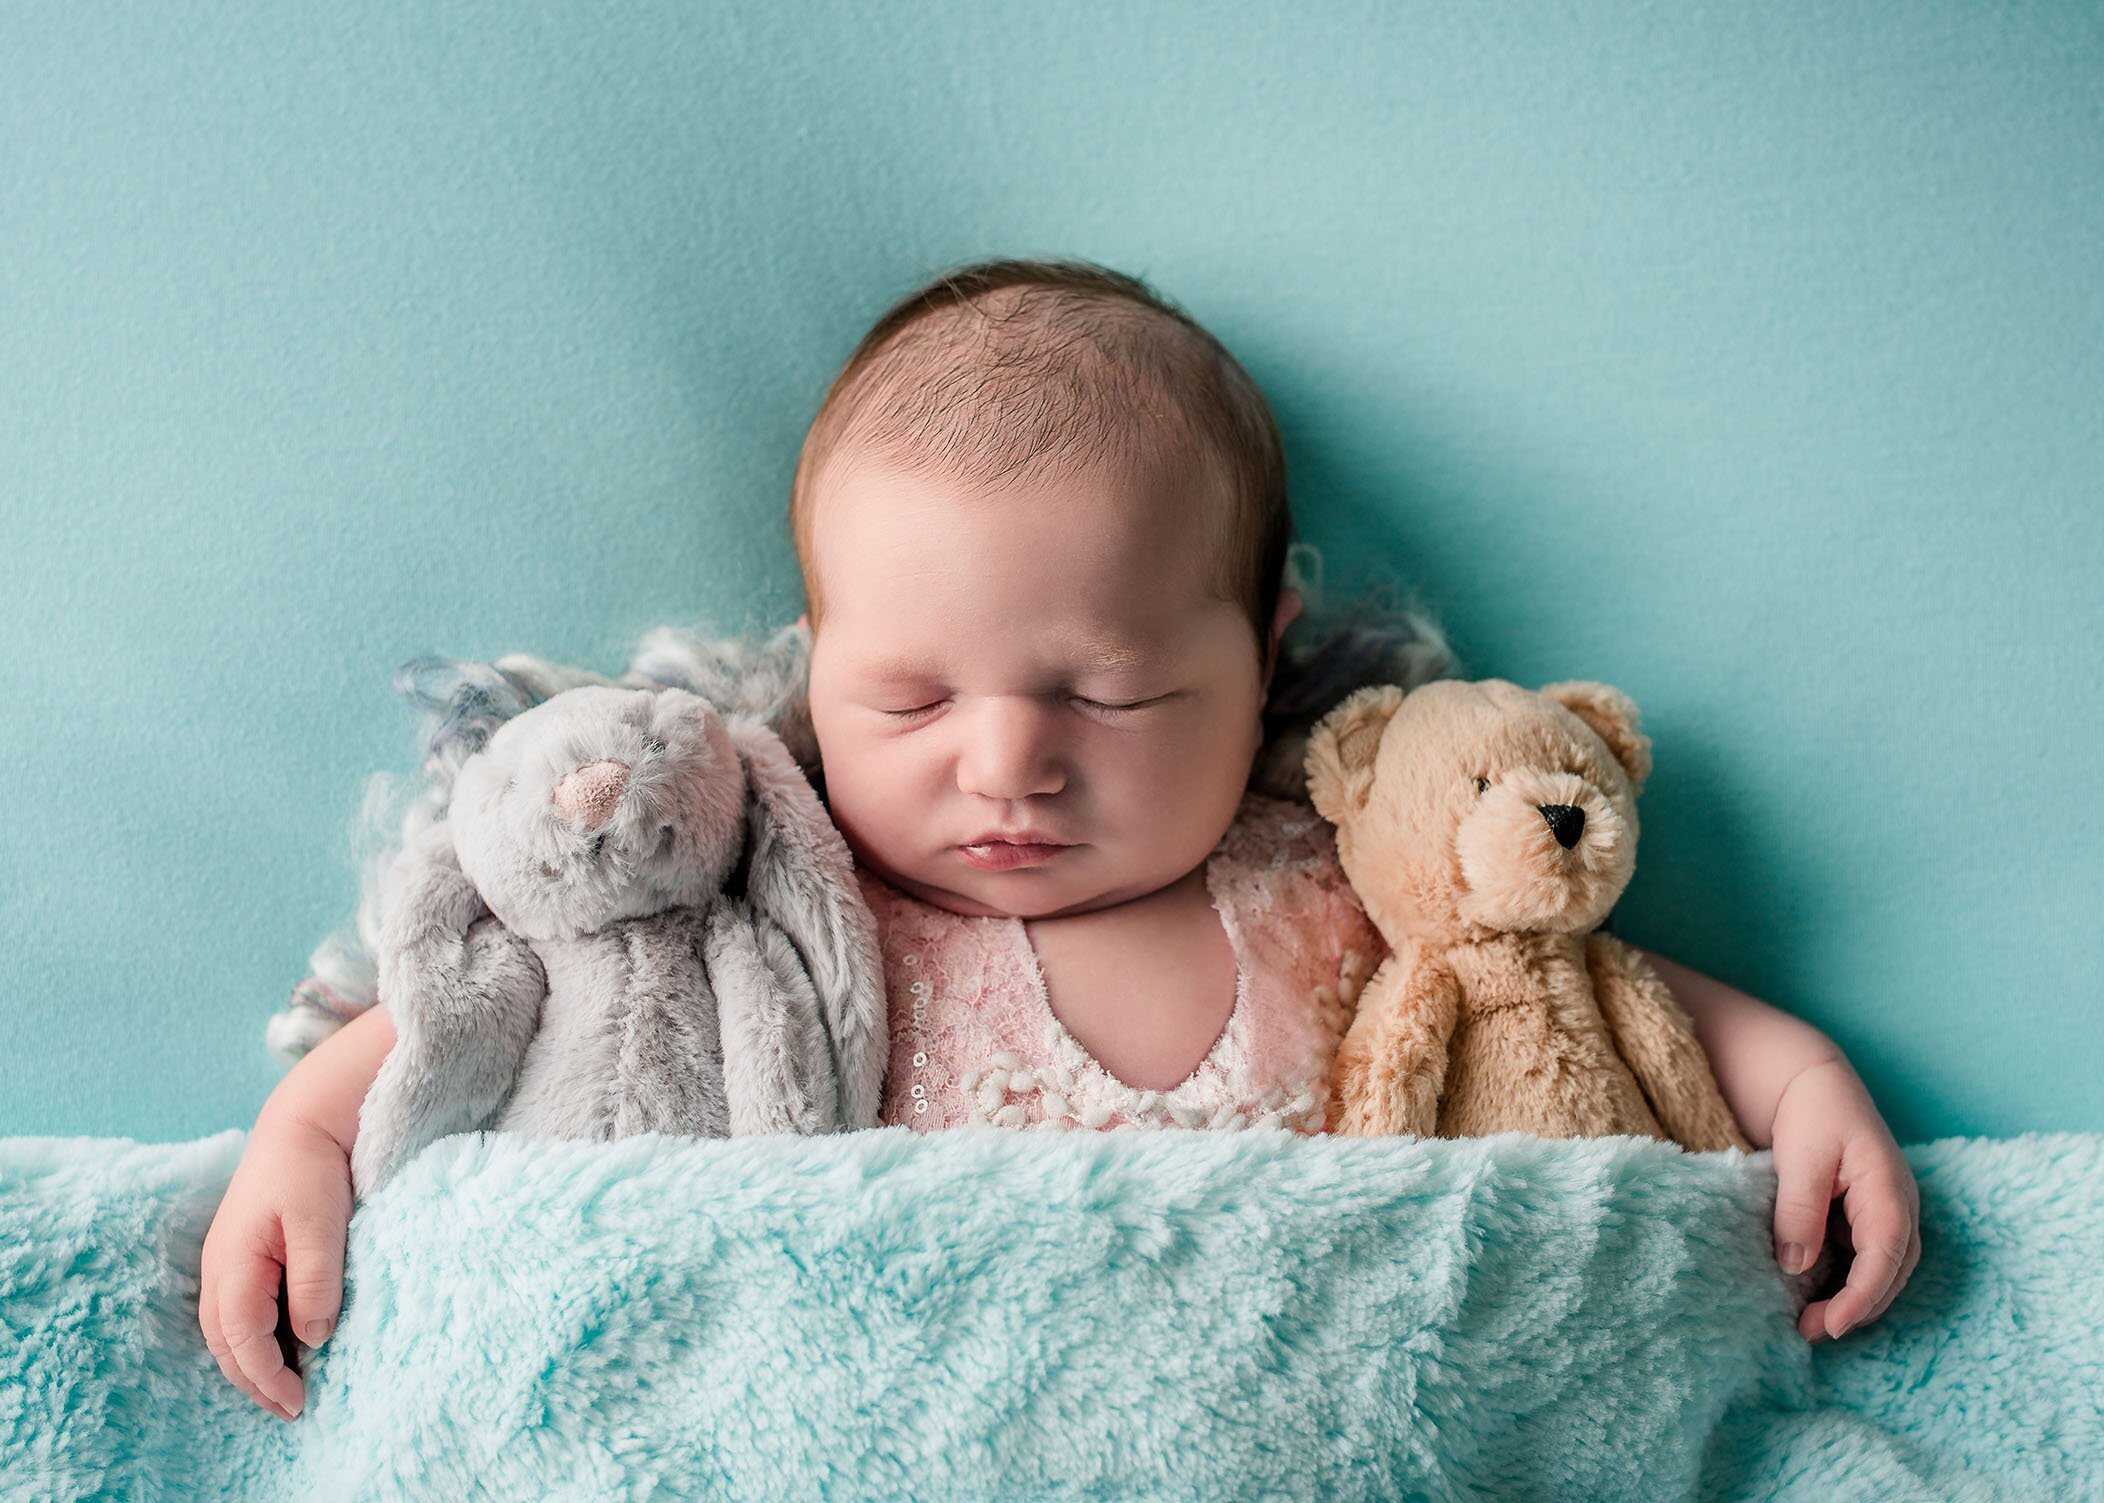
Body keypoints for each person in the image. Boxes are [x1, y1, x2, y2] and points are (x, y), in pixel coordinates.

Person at [199, 257, 1919, 1422]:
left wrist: (1804, 1080)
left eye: (1106, 696)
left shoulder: (1326, 886)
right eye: (910, 701)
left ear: (1266, 670)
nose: (1006, 767)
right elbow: (470, 1017)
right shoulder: (787, 897)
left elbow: (1599, 991)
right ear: (815, 675)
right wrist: (296, 1147)